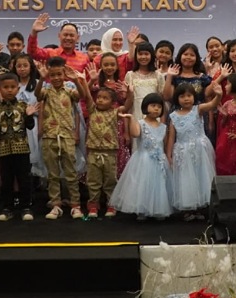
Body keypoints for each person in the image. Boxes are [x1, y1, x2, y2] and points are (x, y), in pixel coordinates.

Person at [73, 69, 132, 218]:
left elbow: (127, 106)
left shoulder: (115, 112)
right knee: (93, 180)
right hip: (93, 152)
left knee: (110, 180)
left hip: (110, 152)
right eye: (99, 97)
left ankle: (111, 204)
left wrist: (130, 93)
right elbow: (87, 97)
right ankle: (93, 205)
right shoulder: (93, 110)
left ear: (113, 102)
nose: (100, 100)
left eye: (105, 98)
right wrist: (86, 81)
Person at [111, 93, 173, 220]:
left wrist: (167, 157)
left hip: (159, 160)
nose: (156, 109)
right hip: (143, 159)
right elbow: (135, 133)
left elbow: (164, 144)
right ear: (145, 107)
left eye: (159, 107)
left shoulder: (163, 127)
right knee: (143, 184)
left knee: (158, 185)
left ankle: (158, 208)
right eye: (153, 105)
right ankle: (142, 209)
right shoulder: (141, 123)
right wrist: (131, 118)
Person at [166, 81, 222, 221]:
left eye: (189, 95)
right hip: (183, 151)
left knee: (201, 176)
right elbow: (171, 137)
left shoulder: (198, 109)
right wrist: (169, 155)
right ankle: (188, 209)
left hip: (199, 150)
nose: (186, 99)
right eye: (182, 96)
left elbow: (212, 105)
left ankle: (200, 208)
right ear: (177, 99)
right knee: (185, 178)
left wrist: (218, 96)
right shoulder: (174, 116)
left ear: (194, 97)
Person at [35, 57, 83, 219]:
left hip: (67, 135)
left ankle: (75, 204)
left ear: (64, 74)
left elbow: (81, 96)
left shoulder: (69, 90)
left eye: (59, 74)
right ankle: (56, 204)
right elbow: (37, 95)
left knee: (71, 172)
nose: (56, 78)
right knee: (53, 173)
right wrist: (41, 79)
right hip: (50, 136)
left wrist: (76, 81)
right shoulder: (46, 90)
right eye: (52, 75)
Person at [0, 73, 38, 221]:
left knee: (24, 179)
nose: (9, 90)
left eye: (12, 87)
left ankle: (26, 207)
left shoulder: (23, 106)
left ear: (18, 89)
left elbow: (30, 126)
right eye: (5, 87)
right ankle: (7, 208)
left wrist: (29, 116)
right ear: (0, 89)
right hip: (3, 150)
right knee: (6, 180)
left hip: (22, 149)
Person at [11, 53, 44, 179]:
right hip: (16, 126)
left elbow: (42, 108)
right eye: (19, 66)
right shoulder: (12, 85)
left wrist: (40, 128)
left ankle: (36, 183)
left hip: (33, 125)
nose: (22, 69)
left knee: (36, 157)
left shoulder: (38, 84)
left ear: (31, 67)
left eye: (25, 65)